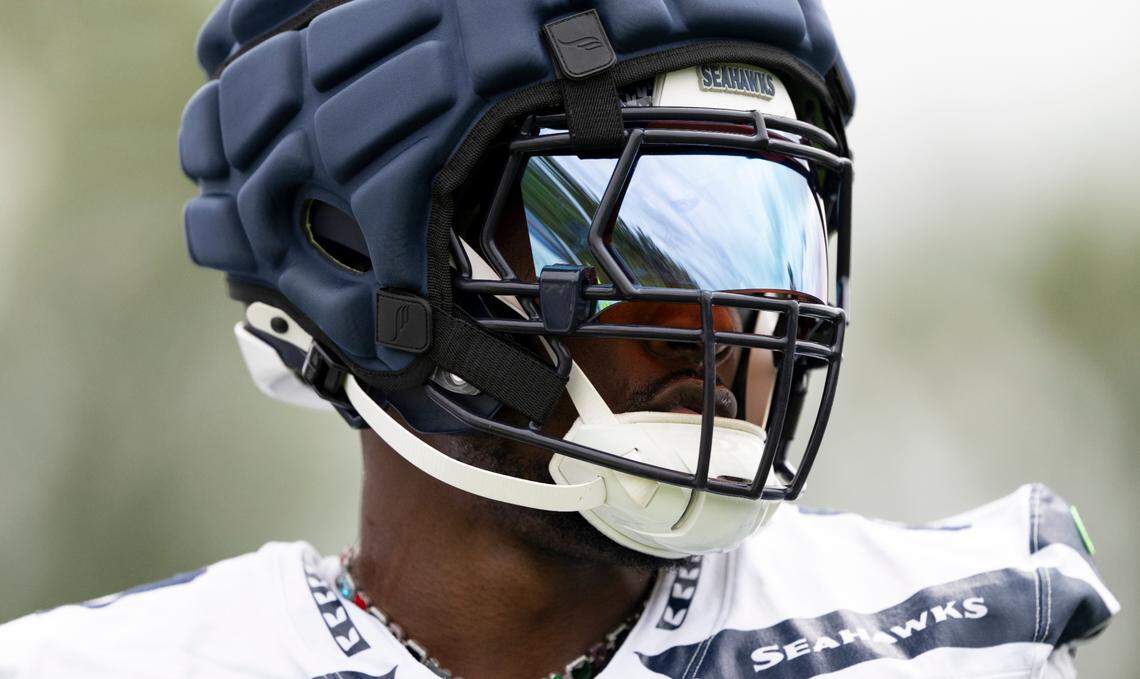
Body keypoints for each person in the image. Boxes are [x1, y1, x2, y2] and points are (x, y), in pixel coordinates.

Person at [0, 1, 1119, 677]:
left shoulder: (953, 635)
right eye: (650, 235)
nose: (734, 324)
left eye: (768, 236)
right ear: (375, 254)